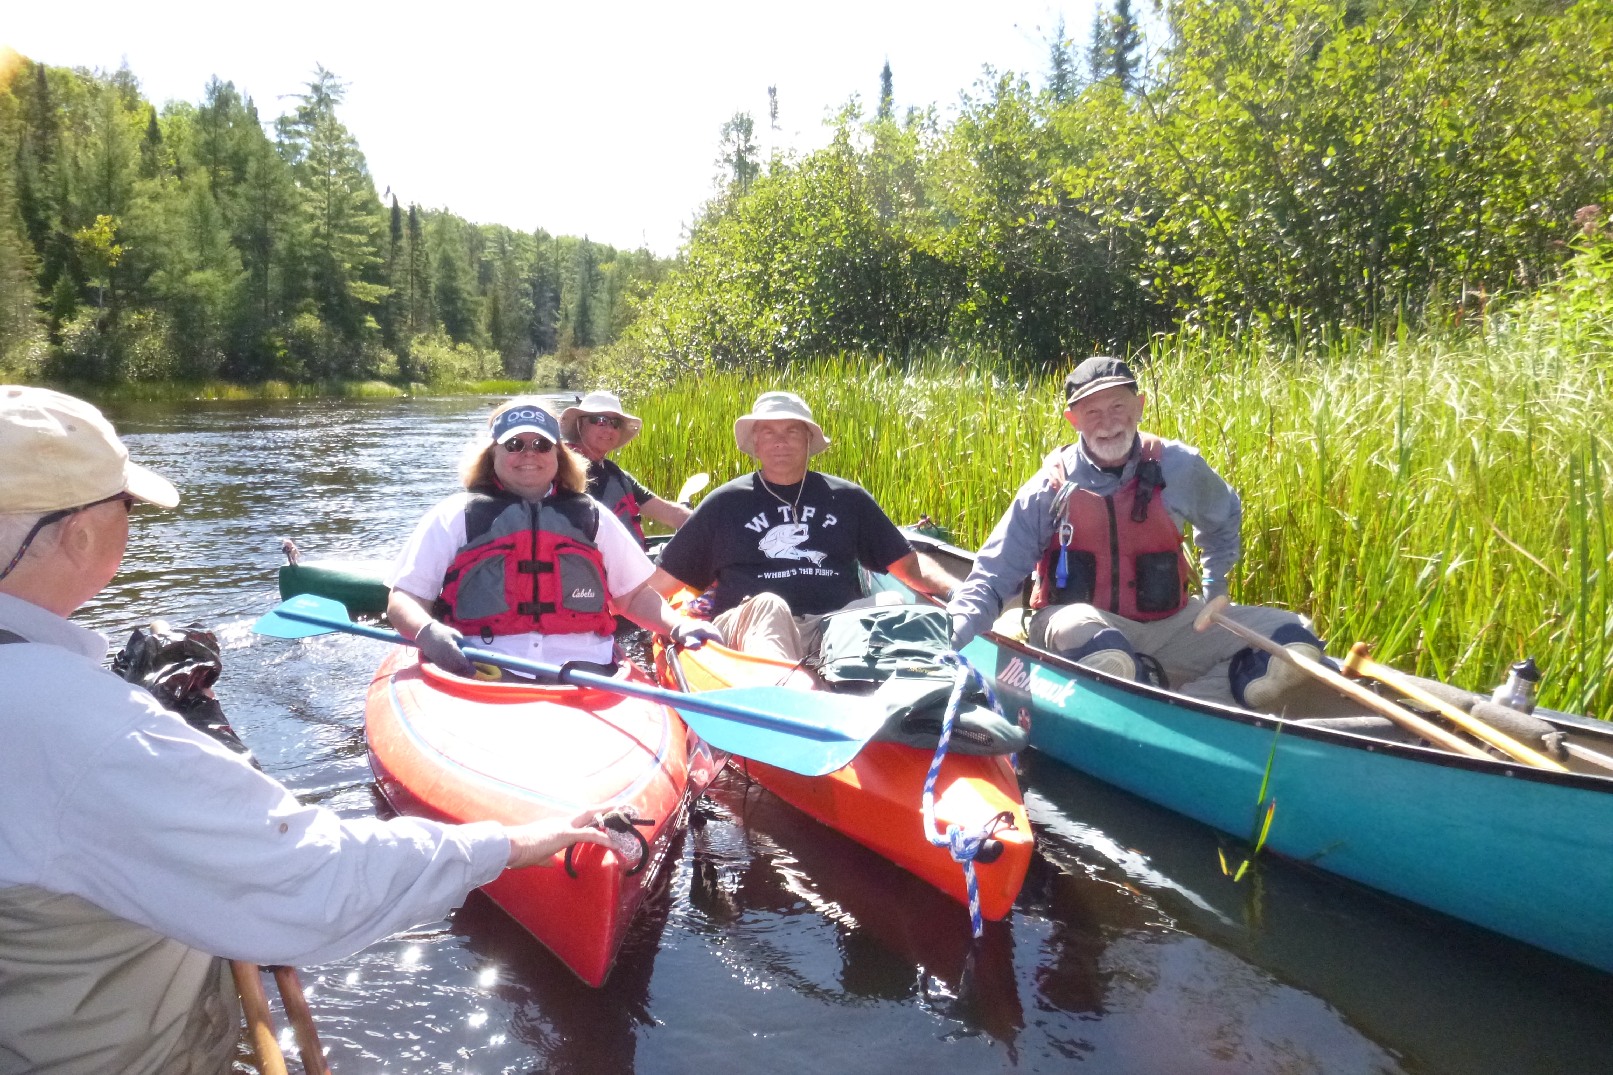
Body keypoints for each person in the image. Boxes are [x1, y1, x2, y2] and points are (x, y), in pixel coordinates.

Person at [0, 386, 616, 1074]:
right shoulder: (89, 730)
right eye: (126, 505)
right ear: (80, 534)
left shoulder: (66, 705)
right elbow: (314, 882)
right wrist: (511, 842)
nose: (131, 522)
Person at [946, 357, 1323, 709]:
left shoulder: (1180, 466)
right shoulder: (1047, 489)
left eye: (1118, 407)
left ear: (1139, 406)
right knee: (1097, 643)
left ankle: (1188, 706)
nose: (1108, 423)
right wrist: (947, 641)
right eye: (1092, 412)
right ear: (1073, 420)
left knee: (1294, 635)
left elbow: (1224, 517)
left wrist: (1214, 585)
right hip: (1078, 627)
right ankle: (1137, 683)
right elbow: (991, 579)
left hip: (1172, 626)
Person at [386, 396, 719, 678]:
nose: (529, 454)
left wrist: (678, 626)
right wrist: (426, 631)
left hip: (587, 673)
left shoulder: (593, 516)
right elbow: (405, 599)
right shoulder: (454, 515)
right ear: (493, 454)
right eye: (514, 445)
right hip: (480, 669)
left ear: (558, 456)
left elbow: (632, 598)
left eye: (542, 445)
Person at [648, 390, 959, 664]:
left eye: (792, 431)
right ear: (755, 442)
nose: (780, 441)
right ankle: (784, 695)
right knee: (770, 606)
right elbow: (659, 586)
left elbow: (909, 566)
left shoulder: (848, 498)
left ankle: (882, 693)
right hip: (752, 625)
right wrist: (667, 623)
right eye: (768, 432)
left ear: (809, 439)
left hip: (833, 625)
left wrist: (956, 590)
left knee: (892, 602)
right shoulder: (724, 503)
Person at [559, 390, 692, 548]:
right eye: (600, 420)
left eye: (615, 423)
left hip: (628, 561)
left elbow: (668, 512)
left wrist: (706, 521)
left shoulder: (616, 475)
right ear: (580, 424)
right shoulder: (562, 468)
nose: (609, 429)